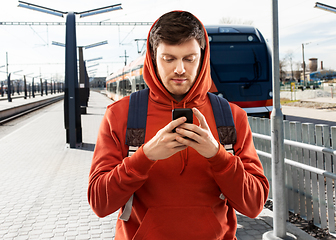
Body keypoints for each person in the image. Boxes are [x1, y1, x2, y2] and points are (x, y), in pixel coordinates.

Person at [88, 11, 269, 240]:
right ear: (153, 58)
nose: (180, 69)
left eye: (189, 58)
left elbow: (254, 206)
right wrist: (144, 157)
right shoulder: (120, 115)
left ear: (203, 58)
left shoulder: (232, 117)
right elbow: (99, 203)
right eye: (169, 58)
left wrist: (217, 155)